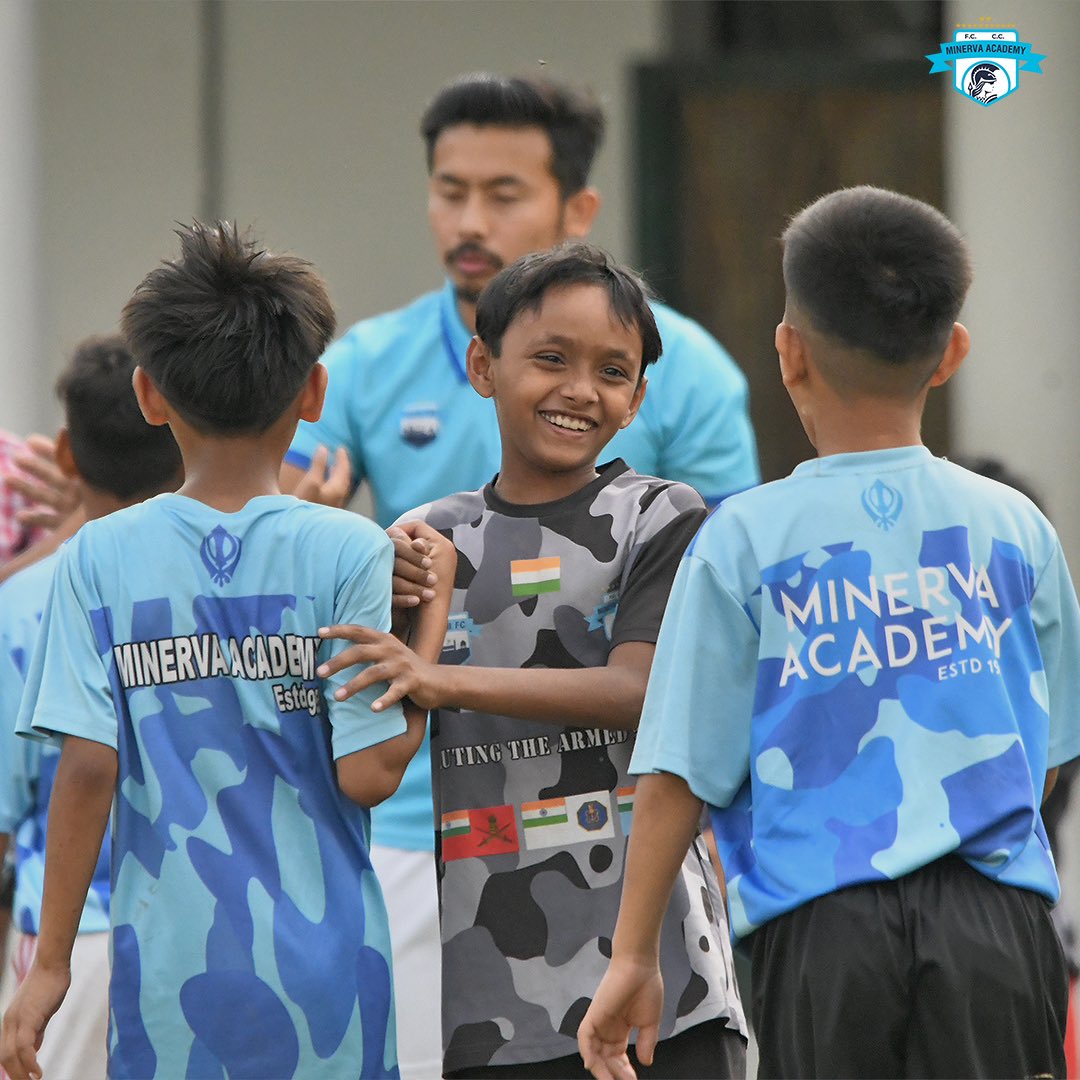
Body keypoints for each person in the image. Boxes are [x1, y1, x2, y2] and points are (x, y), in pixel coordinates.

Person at [280, 73, 759, 1076]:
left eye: (503, 193)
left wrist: (435, 673)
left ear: (576, 206)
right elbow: (301, 546)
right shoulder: (366, 365)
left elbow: (715, 633)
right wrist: (323, 542)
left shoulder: (691, 396)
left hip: (641, 865)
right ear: (482, 366)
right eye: (450, 190)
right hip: (435, 851)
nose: (468, 219)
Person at [578, 186, 1080, 1080]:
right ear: (952, 352)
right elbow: (1046, 760)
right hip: (995, 923)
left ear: (788, 353)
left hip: (819, 928)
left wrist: (633, 957)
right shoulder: (1018, 528)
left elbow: (677, 775)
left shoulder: (740, 539)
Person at [0, 222, 454, 1080]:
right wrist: (429, 621)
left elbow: (87, 769)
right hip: (333, 984)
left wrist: (51, 965)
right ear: (315, 391)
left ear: (149, 393)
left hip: (169, 985)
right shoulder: (350, 549)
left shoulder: (96, 556)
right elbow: (370, 775)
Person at [0, 335, 183, 1078]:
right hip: (201, 930)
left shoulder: (20, 608)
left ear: (68, 455)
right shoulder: (231, 585)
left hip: (64, 944)